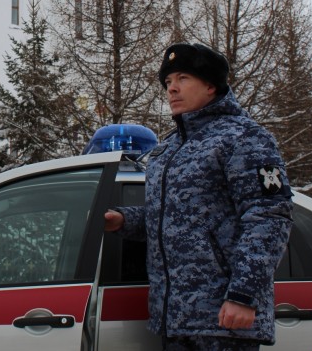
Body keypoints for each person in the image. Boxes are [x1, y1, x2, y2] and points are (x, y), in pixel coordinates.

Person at [105, 43, 293, 350]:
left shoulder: (244, 138)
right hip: (176, 320)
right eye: (167, 83)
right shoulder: (167, 150)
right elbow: (169, 219)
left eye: (183, 78)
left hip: (224, 321)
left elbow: (269, 218)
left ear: (211, 85)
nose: (172, 89)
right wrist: (123, 220)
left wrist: (243, 296)